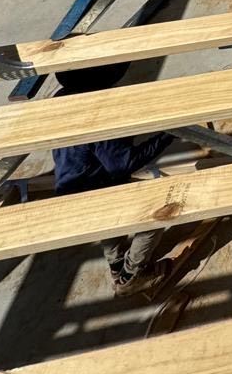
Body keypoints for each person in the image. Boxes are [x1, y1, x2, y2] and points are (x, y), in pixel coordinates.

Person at [52, 65, 175, 296]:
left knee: (106, 224)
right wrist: (169, 134)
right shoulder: (97, 111)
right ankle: (132, 276)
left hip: (70, 187)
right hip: (95, 191)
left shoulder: (61, 98)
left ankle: (117, 264)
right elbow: (123, 164)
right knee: (155, 214)